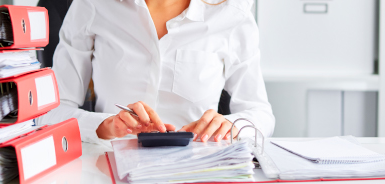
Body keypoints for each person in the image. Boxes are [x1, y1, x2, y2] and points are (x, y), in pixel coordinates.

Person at [37, 0, 275, 144]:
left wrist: (231, 126)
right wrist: (103, 126)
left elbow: (260, 114)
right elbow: (51, 112)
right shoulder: (92, 5)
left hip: (197, 169)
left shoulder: (232, 13)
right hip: (110, 167)